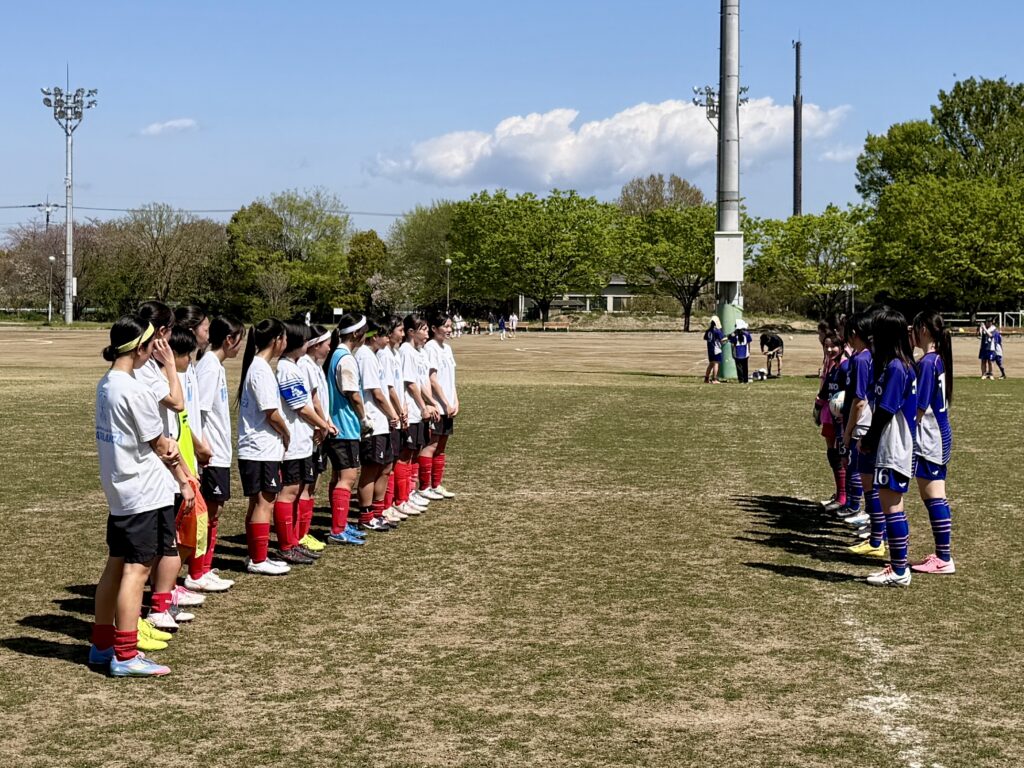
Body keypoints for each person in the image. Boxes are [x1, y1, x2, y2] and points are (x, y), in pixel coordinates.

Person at [90, 316, 192, 677]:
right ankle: (126, 654)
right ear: (138, 348)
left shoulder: (107, 384)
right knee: (137, 571)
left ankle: (102, 646)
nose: (155, 350)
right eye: (151, 345)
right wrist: (184, 479)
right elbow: (163, 445)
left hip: (120, 491)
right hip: (143, 492)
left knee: (115, 566)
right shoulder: (132, 390)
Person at [859, 308, 917, 587]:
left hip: (894, 445)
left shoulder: (897, 367)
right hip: (894, 444)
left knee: (891, 506)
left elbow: (885, 410)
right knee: (892, 505)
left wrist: (869, 439)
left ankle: (899, 569)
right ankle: (898, 565)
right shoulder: (899, 363)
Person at [190, 316, 245, 592]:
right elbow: (197, 412)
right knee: (208, 514)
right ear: (229, 339)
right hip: (211, 455)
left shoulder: (216, 366)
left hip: (219, 453)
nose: (240, 347)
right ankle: (197, 572)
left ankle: (203, 568)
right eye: (239, 340)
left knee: (214, 513)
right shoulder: (209, 366)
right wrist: (203, 448)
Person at [276, 322, 337, 564]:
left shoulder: (296, 366)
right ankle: (287, 544)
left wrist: (321, 423)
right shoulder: (288, 369)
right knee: (289, 492)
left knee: (299, 489)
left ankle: (293, 541)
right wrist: (322, 424)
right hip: (296, 441)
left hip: (304, 439)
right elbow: (302, 405)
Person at [237, 318, 292, 575]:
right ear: (276, 341)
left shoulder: (257, 367)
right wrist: (286, 432)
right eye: (283, 338)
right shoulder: (260, 369)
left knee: (258, 502)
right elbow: (271, 412)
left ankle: (256, 556)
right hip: (260, 449)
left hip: (257, 449)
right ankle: (259, 559)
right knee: (264, 502)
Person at [323, 313, 377, 539]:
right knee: (347, 478)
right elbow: (353, 394)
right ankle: (338, 529)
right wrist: (364, 418)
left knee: (338, 477)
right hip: (344, 426)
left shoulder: (336, 355)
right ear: (357, 333)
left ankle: (340, 524)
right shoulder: (345, 358)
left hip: (338, 426)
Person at [910, 310, 956, 575]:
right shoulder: (934, 359)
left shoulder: (928, 362)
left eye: (915, 328)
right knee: (934, 494)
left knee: (934, 496)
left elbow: (920, 406)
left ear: (924, 330)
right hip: (937, 434)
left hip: (930, 436)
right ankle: (942, 554)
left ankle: (944, 557)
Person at [842, 311, 886, 558]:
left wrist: (848, 432)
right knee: (872, 482)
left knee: (868, 482)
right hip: (872, 423)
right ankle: (876, 530)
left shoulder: (861, 359)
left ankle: (877, 536)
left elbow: (860, 400)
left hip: (863, 424)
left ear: (854, 334)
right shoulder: (876, 356)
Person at [296, 324, 343, 551]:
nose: (329, 348)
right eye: (326, 344)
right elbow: (311, 401)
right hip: (311, 434)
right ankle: (299, 534)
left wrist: (327, 422)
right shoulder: (305, 366)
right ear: (315, 346)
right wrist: (322, 424)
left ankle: (303, 532)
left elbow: (320, 401)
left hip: (318, 430)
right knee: (306, 485)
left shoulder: (314, 365)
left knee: (312, 485)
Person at [356, 319, 404, 528]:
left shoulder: (375, 356)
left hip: (382, 421)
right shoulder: (365, 356)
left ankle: (378, 511)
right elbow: (376, 393)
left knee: (384, 467)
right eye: (385, 335)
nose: (388, 339)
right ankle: (366, 516)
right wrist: (393, 414)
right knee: (371, 470)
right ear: (374, 336)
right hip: (373, 421)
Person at [400, 313, 440, 510]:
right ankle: (404, 496)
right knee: (406, 454)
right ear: (411, 332)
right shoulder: (406, 351)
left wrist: (430, 402)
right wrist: (424, 405)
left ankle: (411, 492)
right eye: (423, 330)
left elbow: (421, 383)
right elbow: (410, 383)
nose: (426, 334)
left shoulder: (416, 351)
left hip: (420, 410)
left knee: (414, 452)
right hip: (412, 410)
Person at [421, 313, 459, 499]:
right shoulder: (431, 348)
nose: (449, 330)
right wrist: (442, 402)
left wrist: (455, 400)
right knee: (431, 445)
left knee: (442, 446)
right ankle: (423, 487)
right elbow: (432, 379)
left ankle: (436, 484)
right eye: (445, 326)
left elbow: (450, 379)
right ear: (434, 328)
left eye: (450, 326)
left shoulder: (447, 348)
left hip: (448, 406)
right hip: (438, 405)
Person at [816, 334, 847, 512]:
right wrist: (818, 406)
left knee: (842, 457)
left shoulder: (845, 367)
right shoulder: (834, 368)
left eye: (833, 346)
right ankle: (840, 494)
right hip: (831, 417)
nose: (829, 350)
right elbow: (826, 389)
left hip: (843, 420)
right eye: (826, 346)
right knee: (833, 454)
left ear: (842, 346)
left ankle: (845, 497)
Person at [728, 319, 752, 384]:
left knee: (739, 367)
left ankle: (741, 380)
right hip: (745, 353)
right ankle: (746, 380)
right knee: (745, 367)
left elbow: (732, 345)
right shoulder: (747, 334)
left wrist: (732, 353)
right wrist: (749, 352)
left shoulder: (734, 335)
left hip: (737, 353)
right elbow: (748, 343)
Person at [703, 316, 724, 384]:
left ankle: (706, 378)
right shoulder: (717, 331)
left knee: (711, 364)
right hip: (716, 349)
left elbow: (706, 338)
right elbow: (722, 339)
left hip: (710, 349)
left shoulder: (708, 331)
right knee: (716, 364)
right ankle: (714, 379)